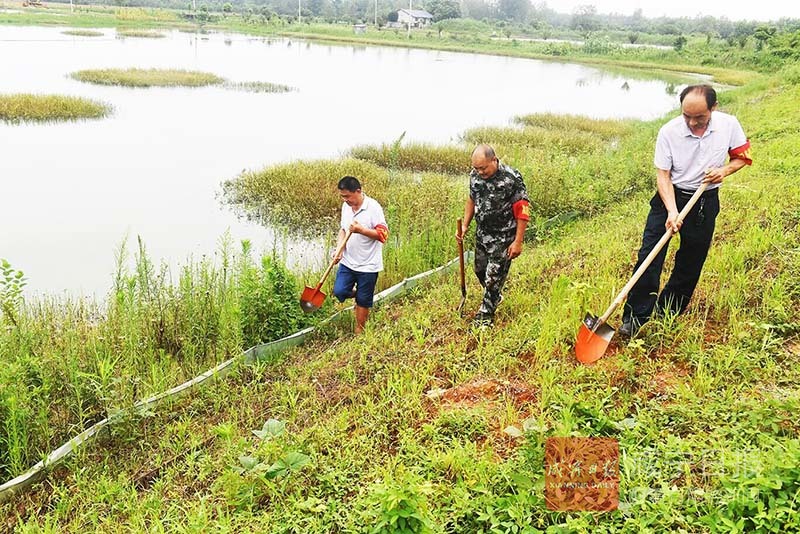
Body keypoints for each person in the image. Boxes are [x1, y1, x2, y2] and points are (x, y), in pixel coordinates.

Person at [620, 84, 752, 336]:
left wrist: (723, 171)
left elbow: (741, 157)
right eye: (686, 116)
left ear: (713, 108)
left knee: (691, 259)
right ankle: (635, 317)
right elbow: (663, 176)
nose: (691, 123)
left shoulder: (729, 125)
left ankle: (668, 311)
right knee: (650, 255)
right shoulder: (669, 131)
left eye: (699, 117)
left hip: (704, 199)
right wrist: (671, 211)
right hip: (669, 197)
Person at [457, 144, 530, 327]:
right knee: (480, 270)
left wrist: (518, 241)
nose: (480, 172)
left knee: (493, 276)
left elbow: (522, 209)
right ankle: (495, 295)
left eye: (483, 168)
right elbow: (472, 199)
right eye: (476, 168)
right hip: (483, 233)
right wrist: (465, 225)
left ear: (494, 160)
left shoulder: (511, 178)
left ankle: (485, 316)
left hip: (504, 236)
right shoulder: (475, 177)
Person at [332, 176, 389, 334]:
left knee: (363, 302)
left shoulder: (373, 207)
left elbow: (383, 234)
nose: (345, 200)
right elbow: (343, 230)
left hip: (369, 265)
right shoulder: (346, 207)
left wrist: (361, 230)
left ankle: (359, 332)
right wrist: (339, 250)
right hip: (348, 262)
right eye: (342, 196)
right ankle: (361, 294)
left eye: (347, 196)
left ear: (358, 191)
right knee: (340, 291)